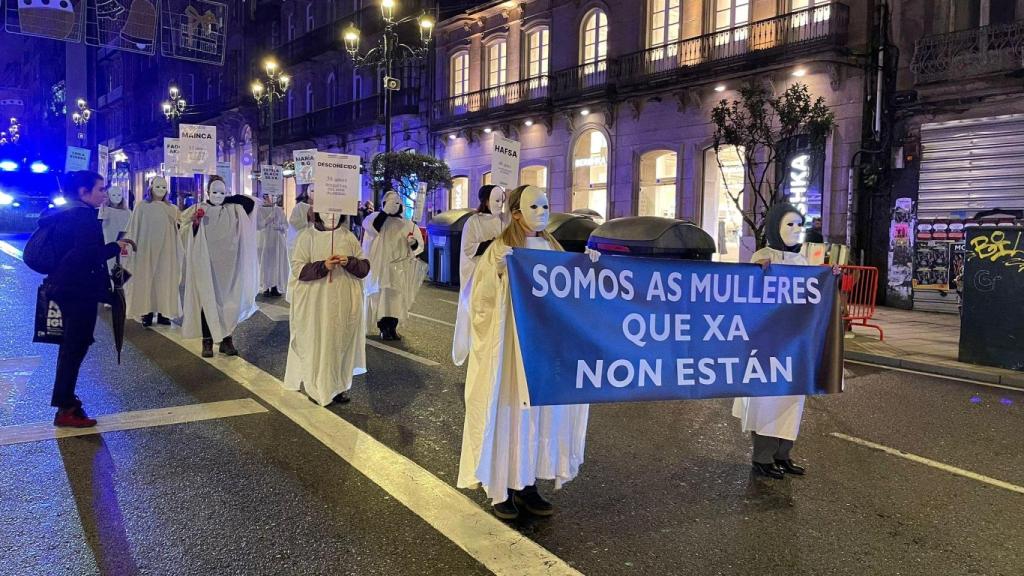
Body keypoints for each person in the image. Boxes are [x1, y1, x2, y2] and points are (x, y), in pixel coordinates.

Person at [458, 184, 592, 520]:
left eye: (546, 206)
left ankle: (528, 483)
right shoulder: (501, 249)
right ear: (516, 212)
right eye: (534, 207)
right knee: (509, 415)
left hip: (541, 352)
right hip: (510, 353)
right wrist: (499, 275)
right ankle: (502, 487)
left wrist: (589, 267)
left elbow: (570, 292)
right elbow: (481, 303)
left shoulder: (552, 246)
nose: (542, 212)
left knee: (536, 417)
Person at [37, 171, 134, 427]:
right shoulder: (82, 217)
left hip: (69, 290)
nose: (104, 194)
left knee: (71, 348)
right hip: (79, 292)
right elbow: (86, 256)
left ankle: (65, 402)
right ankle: (66, 407)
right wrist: (116, 246)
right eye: (100, 189)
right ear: (83, 192)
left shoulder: (66, 212)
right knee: (74, 348)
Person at [733, 203, 811, 480]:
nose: (796, 230)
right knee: (768, 401)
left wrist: (829, 279)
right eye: (789, 224)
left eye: (799, 224)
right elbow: (748, 295)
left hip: (793, 343)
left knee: (791, 400)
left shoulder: (802, 261)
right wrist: (756, 272)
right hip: (768, 345)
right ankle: (762, 458)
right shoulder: (763, 256)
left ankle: (783, 454)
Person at [283, 212, 370, 406]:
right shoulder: (307, 237)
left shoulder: (349, 237)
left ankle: (339, 386)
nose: (332, 216)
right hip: (316, 305)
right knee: (318, 342)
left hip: (344, 304)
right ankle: (317, 386)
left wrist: (350, 262)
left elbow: (364, 267)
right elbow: (298, 269)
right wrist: (323, 266)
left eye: (336, 212)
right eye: (327, 211)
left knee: (340, 344)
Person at [180, 176, 258, 358]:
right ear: (207, 192)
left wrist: (227, 198)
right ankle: (207, 340)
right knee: (207, 300)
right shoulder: (200, 209)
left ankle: (226, 339)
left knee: (229, 303)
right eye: (214, 192)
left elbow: (250, 203)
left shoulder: (233, 209)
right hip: (207, 264)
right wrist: (195, 225)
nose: (218, 195)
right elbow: (183, 230)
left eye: (222, 192)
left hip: (229, 267)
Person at [452, 184, 508, 365]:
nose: (500, 204)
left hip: (498, 276)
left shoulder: (503, 221)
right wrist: (491, 245)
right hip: (478, 277)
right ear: (485, 201)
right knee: (479, 318)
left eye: (502, 200)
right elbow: (468, 249)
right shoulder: (473, 222)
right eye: (496, 200)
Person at [363, 190, 425, 341]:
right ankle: (383, 327)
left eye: (397, 203)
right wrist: (384, 213)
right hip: (381, 268)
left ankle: (393, 326)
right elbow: (372, 228)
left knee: (397, 299)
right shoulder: (375, 219)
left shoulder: (408, 225)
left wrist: (413, 243)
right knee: (382, 298)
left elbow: (418, 247)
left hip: (400, 268)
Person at [124, 176, 181, 327]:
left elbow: (180, 225)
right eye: (158, 187)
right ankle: (146, 312)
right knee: (146, 281)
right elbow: (134, 227)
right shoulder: (142, 206)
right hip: (145, 250)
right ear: (151, 188)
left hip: (166, 251)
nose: (161, 190)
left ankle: (164, 313)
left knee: (164, 280)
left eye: (164, 187)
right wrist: (130, 245)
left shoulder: (171, 209)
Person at [257, 193, 289, 298]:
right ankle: (265, 286)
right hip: (265, 241)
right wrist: (268, 219)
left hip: (277, 242)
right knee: (266, 264)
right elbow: (258, 225)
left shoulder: (278, 210)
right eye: (266, 196)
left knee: (276, 264)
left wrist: (279, 226)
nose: (268, 198)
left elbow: (286, 225)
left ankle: (275, 286)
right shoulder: (259, 210)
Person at [99, 185, 132, 274]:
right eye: (113, 195)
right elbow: (101, 219)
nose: (117, 198)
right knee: (111, 264)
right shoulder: (105, 210)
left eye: (119, 195)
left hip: (124, 240)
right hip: (110, 239)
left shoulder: (128, 212)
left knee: (125, 264)